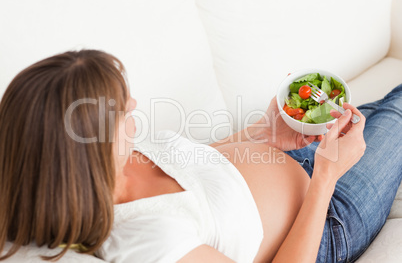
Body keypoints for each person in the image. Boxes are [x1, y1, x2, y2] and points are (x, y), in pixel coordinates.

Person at [0, 50, 400, 263]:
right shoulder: (149, 244)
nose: (135, 104)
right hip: (325, 216)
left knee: (382, 105)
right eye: (123, 108)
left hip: (306, 160)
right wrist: (327, 177)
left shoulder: (117, 160)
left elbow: (197, 170)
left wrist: (265, 136)